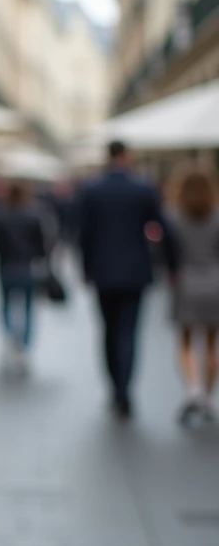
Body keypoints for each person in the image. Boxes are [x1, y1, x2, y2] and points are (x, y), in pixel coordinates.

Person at [78, 140, 178, 419]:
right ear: (127, 156)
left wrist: (85, 269)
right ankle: (124, 388)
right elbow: (162, 227)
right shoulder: (143, 188)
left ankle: (115, 387)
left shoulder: (92, 189)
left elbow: (84, 235)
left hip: (102, 272)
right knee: (128, 332)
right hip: (135, 271)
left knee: (109, 331)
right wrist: (172, 266)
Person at [165, 167, 219, 424]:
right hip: (214, 282)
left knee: (185, 340)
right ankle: (208, 395)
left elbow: (168, 254)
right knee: (211, 343)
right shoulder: (217, 217)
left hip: (185, 282)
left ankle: (193, 389)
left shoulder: (174, 217)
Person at [0, 181, 50, 376]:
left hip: (7, 267)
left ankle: (10, 337)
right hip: (28, 267)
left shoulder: (1, 216)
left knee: (7, 305)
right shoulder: (33, 216)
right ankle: (24, 347)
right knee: (28, 308)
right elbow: (42, 245)